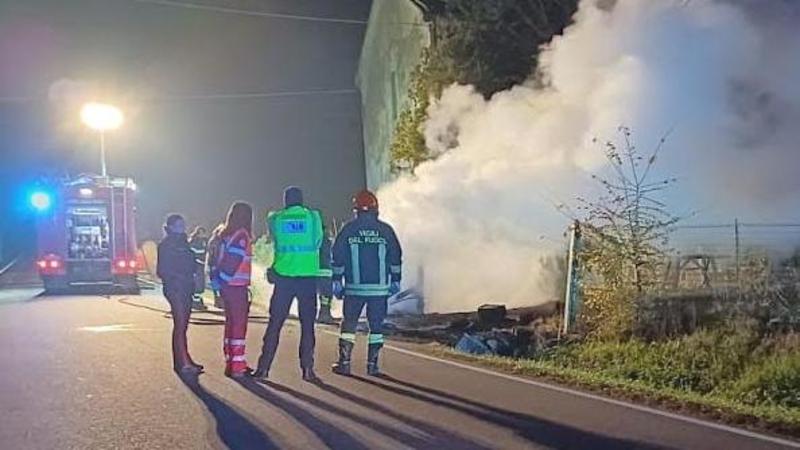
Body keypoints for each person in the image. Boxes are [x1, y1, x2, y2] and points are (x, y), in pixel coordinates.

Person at [253, 186, 323, 382]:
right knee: (307, 325)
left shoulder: (276, 219)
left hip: (283, 277)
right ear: (302, 200)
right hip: (307, 278)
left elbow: (273, 238)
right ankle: (307, 369)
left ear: (285, 201)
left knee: (275, 324)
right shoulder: (312, 217)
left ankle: (263, 368)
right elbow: (318, 241)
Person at [331, 190, 402, 377]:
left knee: (349, 326)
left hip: (354, 289)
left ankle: (344, 363)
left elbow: (337, 256)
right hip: (379, 290)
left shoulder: (348, 230)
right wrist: (395, 281)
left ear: (356, 210)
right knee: (376, 328)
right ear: (376, 209)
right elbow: (396, 257)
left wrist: (337, 281)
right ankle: (373, 366)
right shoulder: (386, 230)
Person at [157, 214, 203, 374]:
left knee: (183, 326)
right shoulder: (166, 245)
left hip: (186, 287)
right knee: (180, 324)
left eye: (183, 224)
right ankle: (182, 363)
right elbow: (162, 270)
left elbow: (191, 262)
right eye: (178, 224)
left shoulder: (184, 243)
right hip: (175, 288)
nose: (182, 227)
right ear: (169, 227)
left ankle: (185, 358)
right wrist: (177, 278)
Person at [214, 202, 254, 378]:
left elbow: (216, 260)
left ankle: (231, 361)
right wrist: (226, 281)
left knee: (230, 325)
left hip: (227, 286)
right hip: (236, 288)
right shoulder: (241, 236)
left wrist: (219, 285)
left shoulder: (223, 234)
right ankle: (238, 366)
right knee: (238, 326)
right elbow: (233, 263)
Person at [316, 227, 335, 324]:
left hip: (313, 271)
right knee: (326, 295)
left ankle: (320, 314)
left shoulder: (312, 239)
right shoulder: (326, 240)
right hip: (325, 271)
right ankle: (324, 314)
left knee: (318, 295)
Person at [188, 226, 209, 310]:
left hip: (199, 265)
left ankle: (197, 301)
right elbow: (196, 252)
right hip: (197, 265)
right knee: (198, 284)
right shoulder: (196, 241)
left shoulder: (201, 241)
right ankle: (195, 302)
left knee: (200, 284)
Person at [206, 223, 225, 309]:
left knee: (220, 284)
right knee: (216, 284)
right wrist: (212, 265)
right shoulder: (214, 241)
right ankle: (218, 301)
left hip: (221, 266)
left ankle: (220, 301)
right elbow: (211, 255)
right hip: (214, 265)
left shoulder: (222, 241)